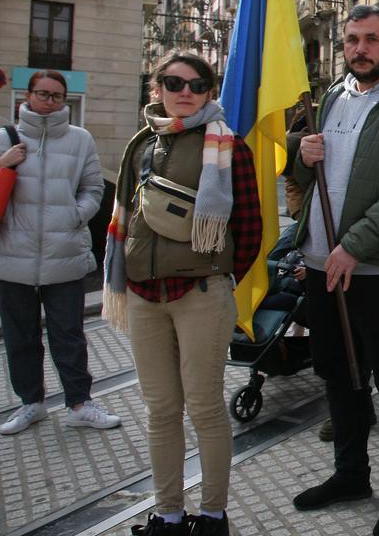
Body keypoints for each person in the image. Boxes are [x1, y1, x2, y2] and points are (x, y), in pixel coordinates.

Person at [290, 6, 379, 536]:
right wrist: (298, 151)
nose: (360, 49)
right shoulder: (330, 97)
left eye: (371, 39)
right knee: (337, 374)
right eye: (352, 40)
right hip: (320, 262)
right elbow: (304, 174)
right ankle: (350, 474)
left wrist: (354, 245)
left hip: (377, 269)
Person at [102, 51, 262, 536]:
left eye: (198, 84)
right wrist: (128, 276)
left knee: (206, 407)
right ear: (157, 88)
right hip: (145, 295)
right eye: (174, 82)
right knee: (161, 410)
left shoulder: (230, 146)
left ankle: (212, 516)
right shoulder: (139, 144)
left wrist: (211, 273)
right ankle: (167, 515)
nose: (185, 91)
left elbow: (250, 229)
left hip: (199, 293)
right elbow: (124, 214)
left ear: (210, 91)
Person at [0, 69, 118, 435]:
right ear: (28, 95)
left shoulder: (80, 139)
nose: (49, 101)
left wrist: (75, 215)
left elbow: (93, 189)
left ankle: (80, 403)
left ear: (64, 100)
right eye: (42, 94)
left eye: (56, 96)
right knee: (19, 335)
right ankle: (31, 403)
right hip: (9, 256)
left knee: (69, 334)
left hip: (64, 254)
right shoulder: (2, 138)